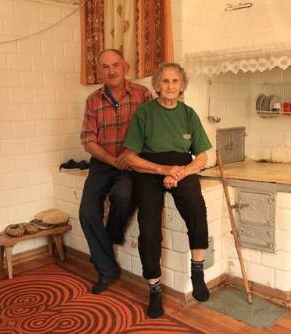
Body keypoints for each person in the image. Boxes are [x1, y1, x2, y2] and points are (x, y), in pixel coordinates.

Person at [123, 62, 212, 318]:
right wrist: (164, 171)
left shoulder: (188, 114)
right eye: (165, 81)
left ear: (182, 86)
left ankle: (197, 273)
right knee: (149, 226)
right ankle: (154, 289)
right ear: (157, 86)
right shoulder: (145, 113)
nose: (170, 86)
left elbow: (203, 157)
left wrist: (180, 172)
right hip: (151, 169)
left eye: (175, 81)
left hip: (181, 169)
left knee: (197, 208)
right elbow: (130, 157)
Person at [79, 49, 152, 294]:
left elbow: (151, 133)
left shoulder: (143, 95)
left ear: (125, 67)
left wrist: (131, 158)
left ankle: (107, 241)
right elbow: (88, 140)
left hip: (132, 163)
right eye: (105, 67)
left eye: (115, 65)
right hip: (102, 162)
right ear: (100, 71)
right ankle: (108, 270)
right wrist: (112, 160)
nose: (111, 71)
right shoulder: (92, 100)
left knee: (122, 197)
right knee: (87, 212)